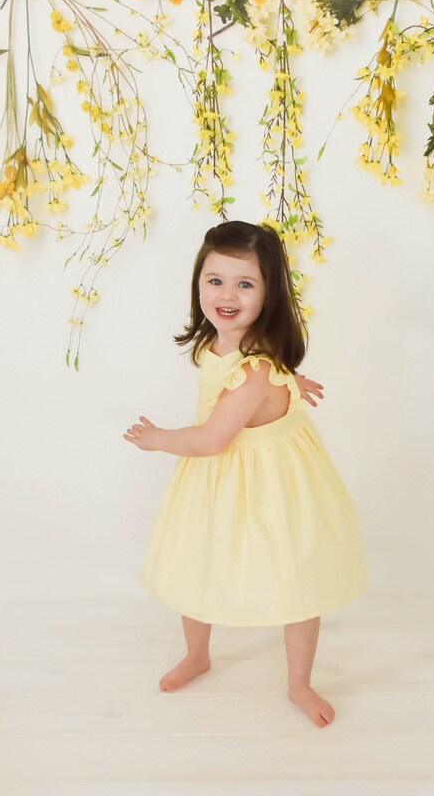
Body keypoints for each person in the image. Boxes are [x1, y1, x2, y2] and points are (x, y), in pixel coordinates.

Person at [123, 220, 369, 727]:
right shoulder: (223, 342)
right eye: (215, 281)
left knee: (295, 574)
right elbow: (259, 369)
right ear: (197, 284)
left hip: (268, 478)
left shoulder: (253, 367)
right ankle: (198, 654)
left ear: (269, 293)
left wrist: (160, 439)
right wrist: (289, 376)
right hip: (223, 474)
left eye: (245, 284)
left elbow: (213, 437)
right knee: (197, 559)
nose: (227, 295)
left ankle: (299, 682)